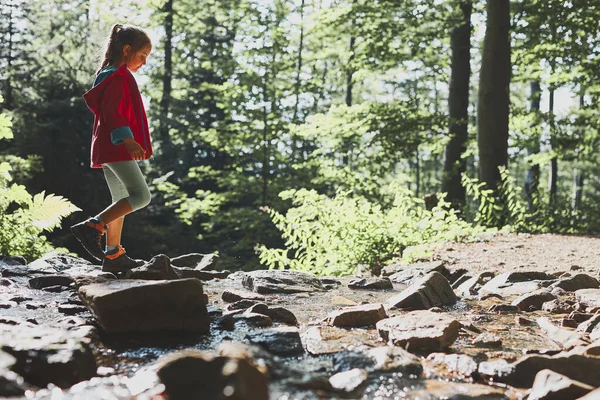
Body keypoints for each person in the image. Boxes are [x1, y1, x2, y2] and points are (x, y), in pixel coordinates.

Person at [71, 24, 153, 273]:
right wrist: (127, 140)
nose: (144, 63)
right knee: (141, 196)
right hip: (116, 146)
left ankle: (113, 255)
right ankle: (93, 225)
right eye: (142, 56)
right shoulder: (116, 76)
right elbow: (113, 111)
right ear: (127, 49)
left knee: (120, 200)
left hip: (108, 146)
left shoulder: (109, 73)